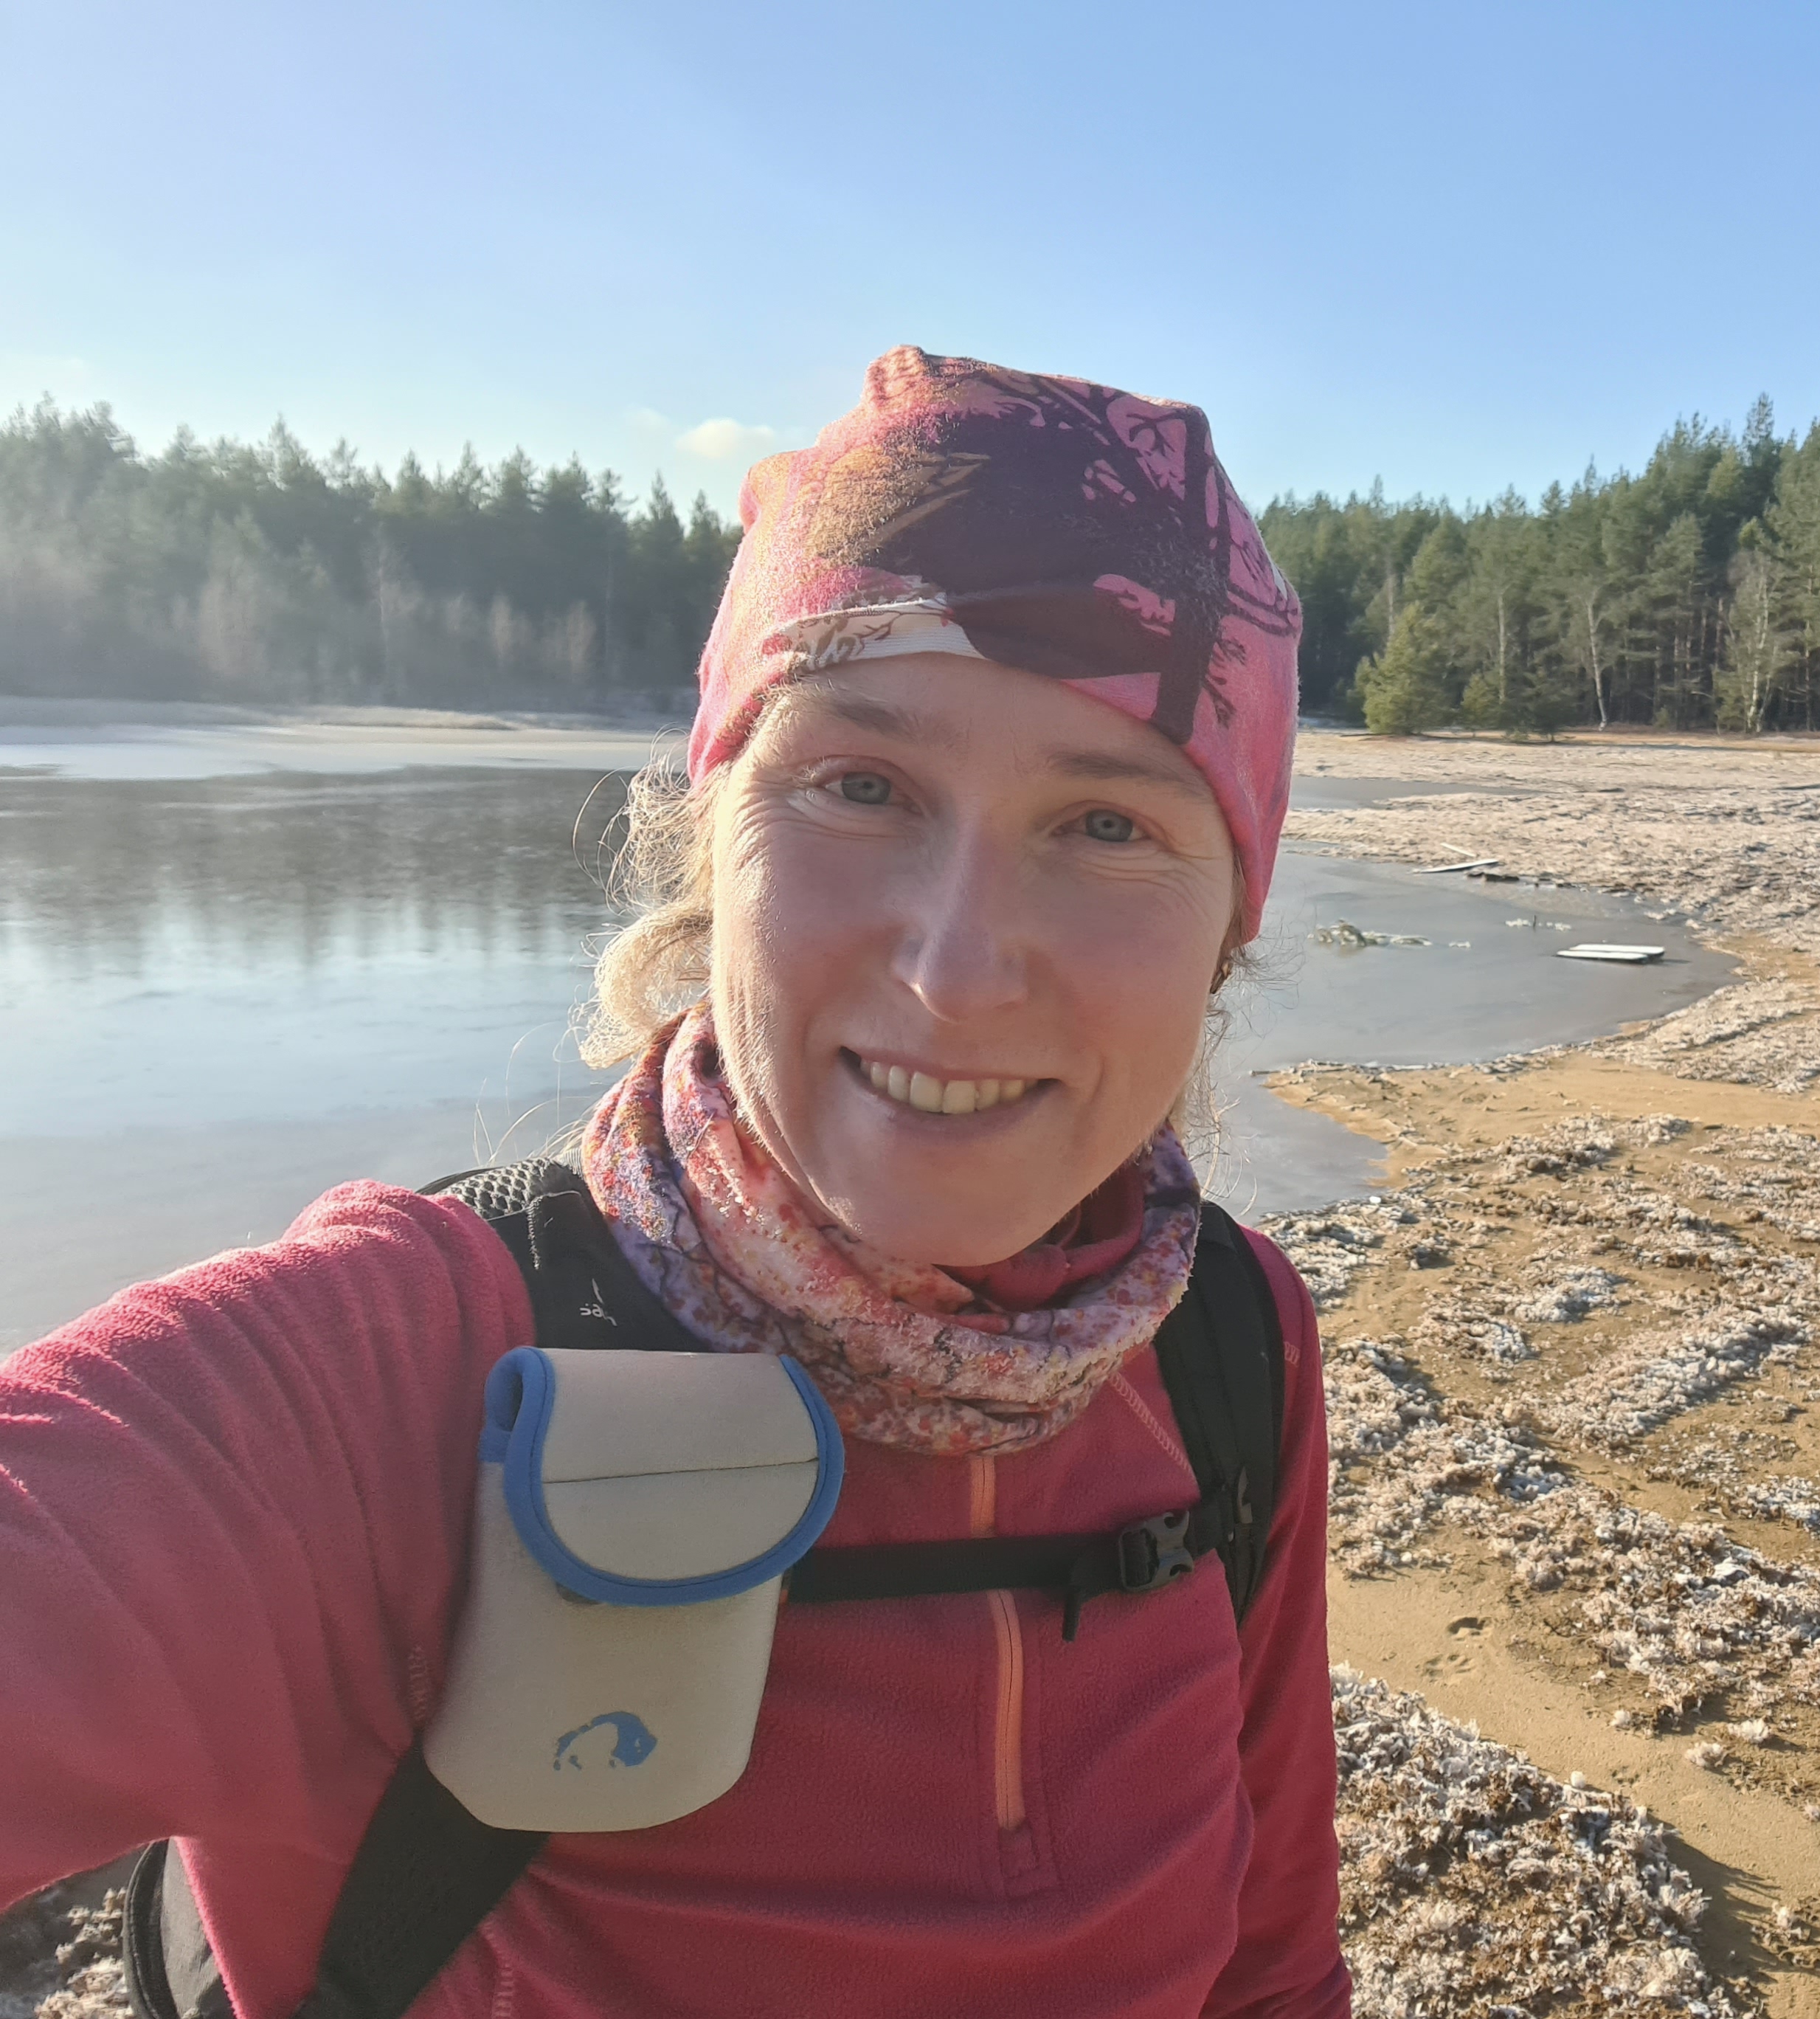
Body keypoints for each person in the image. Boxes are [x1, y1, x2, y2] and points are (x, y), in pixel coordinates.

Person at [0, 348, 1350, 2018]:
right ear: (712, 846)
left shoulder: (1227, 1346)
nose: (955, 972)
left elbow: (1276, 1968)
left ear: (1230, 927)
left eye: (1108, 827)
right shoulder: (390, 1388)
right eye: (861, 787)